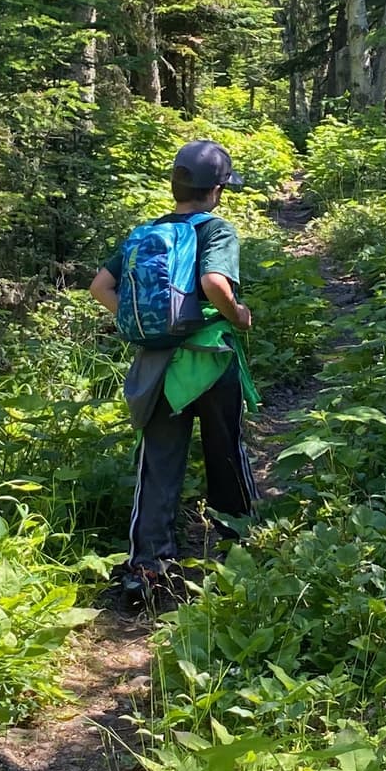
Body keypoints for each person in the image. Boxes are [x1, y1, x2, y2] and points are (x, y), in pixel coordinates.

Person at [91, 139, 260, 599]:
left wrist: (144, 323)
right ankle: (240, 540)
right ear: (217, 190)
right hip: (210, 361)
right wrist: (238, 316)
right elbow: (213, 281)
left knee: (159, 462)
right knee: (226, 449)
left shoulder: (146, 232)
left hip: (159, 365)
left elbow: (101, 286)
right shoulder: (216, 229)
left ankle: (147, 566)